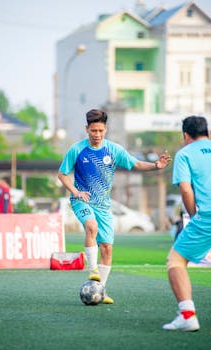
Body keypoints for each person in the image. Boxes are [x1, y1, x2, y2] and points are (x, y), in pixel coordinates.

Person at [58, 109, 171, 304]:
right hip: (81, 201)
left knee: (108, 249)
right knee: (91, 227)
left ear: (106, 129)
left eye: (101, 130)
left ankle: (100, 289)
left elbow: (135, 164)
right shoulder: (77, 150)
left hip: (103, 206)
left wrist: (155, 166)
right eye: (93, 130)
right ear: (87, 129)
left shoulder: (114, 150)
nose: (97, 135)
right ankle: (93, 270)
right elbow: (62, 174)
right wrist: (75, 192)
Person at [163, 116, 211, 332]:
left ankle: (187, 315)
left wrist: (193, 215)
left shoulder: (184, 154)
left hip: (207, 216)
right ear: (207, 132)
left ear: (185, 135)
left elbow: (185, 189)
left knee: (175, 260)